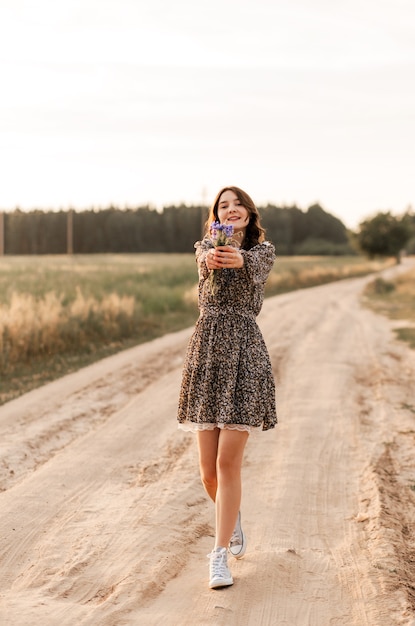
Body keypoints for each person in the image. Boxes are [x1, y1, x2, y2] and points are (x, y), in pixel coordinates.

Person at [177, 185, 277, 589]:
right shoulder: (205, 248)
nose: (231, 209)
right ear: (215, 214)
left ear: (250, 215)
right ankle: (230, 517)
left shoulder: (261, 254)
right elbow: (210, 257)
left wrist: (232, 253)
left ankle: (219, 557)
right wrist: (215, 250)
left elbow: (238, 260)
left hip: (244, 357)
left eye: (238, 205)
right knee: (207, 472)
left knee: (226, 464)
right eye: (223, 205)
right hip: (206, 355)